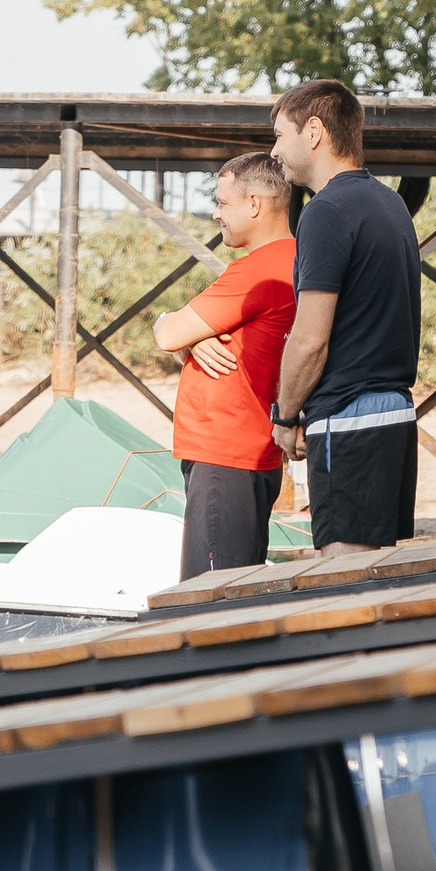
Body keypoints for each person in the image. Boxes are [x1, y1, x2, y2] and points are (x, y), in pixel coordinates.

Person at [269, 79, 424, 552]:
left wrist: (285, 414)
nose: (274, 151)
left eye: (279, 135)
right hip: (395, 414)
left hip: (347, 419)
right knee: (378, 574)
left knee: (344, 576)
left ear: (312, 131)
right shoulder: (390, 203)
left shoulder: (327, 211)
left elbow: (310, 339)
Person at [154, 151, 298, 575]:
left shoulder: (259, 270)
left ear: (254, 204)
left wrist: (181, 333)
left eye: (223, 202)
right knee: (238, 579)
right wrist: (192, 342)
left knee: (211, 592)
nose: (216, 214)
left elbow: (168, 333)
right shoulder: (295, 259)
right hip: (250, 451)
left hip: (226, 454)